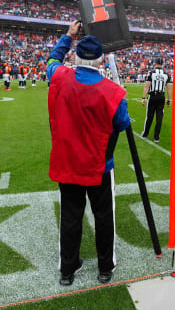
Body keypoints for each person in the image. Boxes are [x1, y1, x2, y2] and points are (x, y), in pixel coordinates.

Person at [47, 21, 130, 286]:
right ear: (101, 60)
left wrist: (68, 37)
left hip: (68, 163)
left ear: (77, 57)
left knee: (70, 218)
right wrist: (119, 97)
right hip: (99, 167)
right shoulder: (113, 91)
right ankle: (105, 268)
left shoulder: (60, 77)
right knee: (104, 217)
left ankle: (67, 270)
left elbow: (51, 61)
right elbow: (123, 124)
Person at [140, 57, 172, 142]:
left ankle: (145, 134)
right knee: (159, 117)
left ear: (155, 63)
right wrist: (169, 100)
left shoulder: (152, 73)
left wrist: (143, 97)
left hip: (153, 96)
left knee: (149, 116)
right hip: (161, 97)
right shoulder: (166, 75)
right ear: (162, 64)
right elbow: (169, 89)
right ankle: (156, 137)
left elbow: (146, 86)